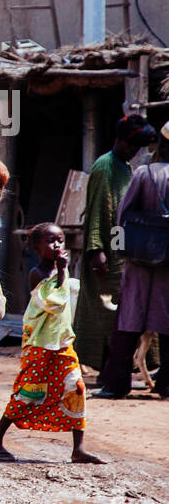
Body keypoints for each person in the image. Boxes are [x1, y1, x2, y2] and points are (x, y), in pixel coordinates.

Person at [0, 222, 103, 464]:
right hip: (39, 344)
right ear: (38, 248)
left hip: (61, 343)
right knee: (28, 393)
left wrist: (63, 272)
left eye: (60, 240)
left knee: (76, 388)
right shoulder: (37, 274)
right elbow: (54, 303)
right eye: (51, 241)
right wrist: (62, 272)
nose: (58, 245)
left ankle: (78, 449)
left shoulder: (63, 270)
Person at [74, 114, 156, 372]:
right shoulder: (104, 167)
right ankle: (106, 368)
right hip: (106, 256)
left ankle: (129, 367)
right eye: (130, 145)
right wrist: (96, 251)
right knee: (106, 314)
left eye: (137, 148)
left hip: (123, 253)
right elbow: (98, 210)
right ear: (118, 140)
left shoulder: (127, 168)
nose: (133, 151)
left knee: (126, 313)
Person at [94, 122, 169, 399]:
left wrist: (119, 252)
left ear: (159, 145)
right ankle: (166, 385)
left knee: (128, 320)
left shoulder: (144, 174)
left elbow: (121, 218)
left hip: (138, 261)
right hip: (167, 265)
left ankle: (117, 385)